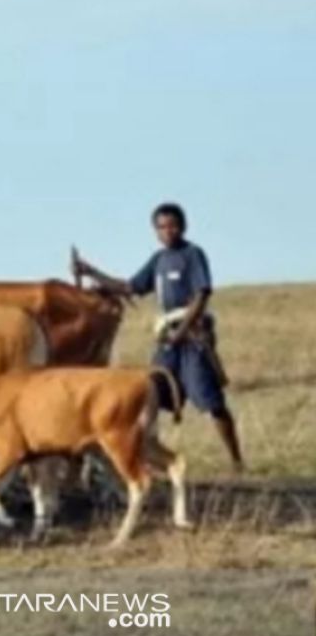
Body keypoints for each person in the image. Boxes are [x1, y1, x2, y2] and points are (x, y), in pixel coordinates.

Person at [72, 202, 244, 473]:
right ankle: (149, 459)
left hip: (192, 335)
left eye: (172, 226)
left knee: (210, 401)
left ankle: (236, 461)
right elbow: (130, 286)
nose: (168, 232)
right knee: (148, 394)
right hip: (167, 339)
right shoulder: (159, 260)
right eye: (161, 227)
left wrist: (183, 331)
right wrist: (92, 273)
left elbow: (202, 295)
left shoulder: (192, 255)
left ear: (183, 227)